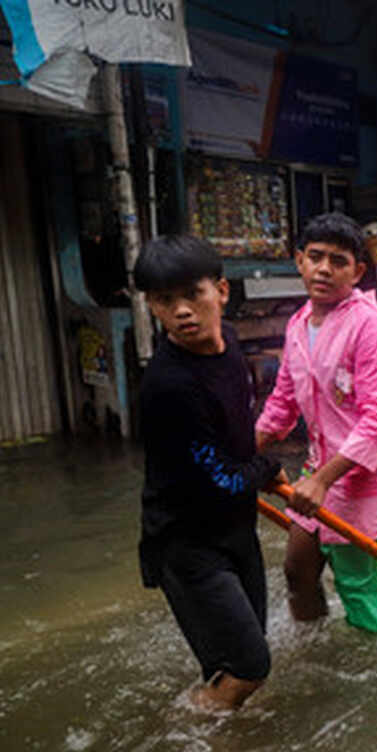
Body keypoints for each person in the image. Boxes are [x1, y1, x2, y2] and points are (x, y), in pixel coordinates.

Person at [134, 235, 285, 711]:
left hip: (235, 530)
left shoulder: (230, 344)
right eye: (165, 300)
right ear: (151, 307)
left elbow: (234, 429)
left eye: (192, 294)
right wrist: (271, 468)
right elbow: (219, 480)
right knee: (248, 667)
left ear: (221, 290)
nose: (181, 311)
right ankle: (188, 740)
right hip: (186, 543)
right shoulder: (170, 385)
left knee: (241, 652)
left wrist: (258, 466)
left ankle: (221, 745)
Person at [256, 213, 377, 632]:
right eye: (315, 257)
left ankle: (374, 666)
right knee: (297, 570)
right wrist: (239, 450)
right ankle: (315, 651)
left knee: (362, 590)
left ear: (357, 271)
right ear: (299, 261)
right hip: (320, 466)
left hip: (366, 474)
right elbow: (282, 403)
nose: (324, 268)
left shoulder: (372, 329)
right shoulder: (296, 326)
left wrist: (323, 480)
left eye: (338, 261)